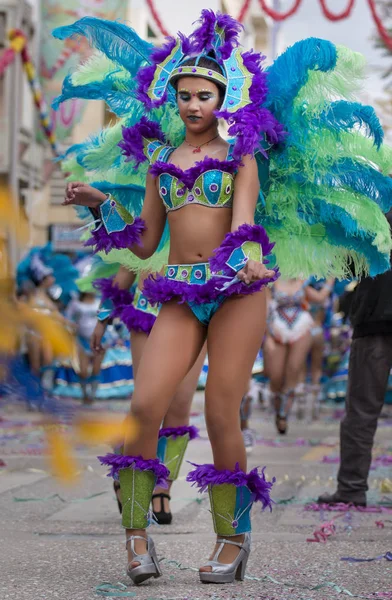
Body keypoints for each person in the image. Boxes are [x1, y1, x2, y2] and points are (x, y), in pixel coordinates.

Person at [55, 9, 392, 586]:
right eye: (184, 95)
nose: (192, 105)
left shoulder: (241, 157)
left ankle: (232, 542)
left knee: (219, 412)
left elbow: (243, 224)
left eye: (204, 95)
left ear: (223, 97)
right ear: (171, 97)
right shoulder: (161, 164)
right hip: (181, 293)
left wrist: (248, 259)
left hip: (237, 292)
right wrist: (98, 204)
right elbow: (144, 240)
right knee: (144, 405)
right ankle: (137, 538)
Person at [92, 266, 206, 524]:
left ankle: (162, 487)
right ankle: (125, 458)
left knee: (179, 404)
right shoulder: (151, 223)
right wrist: (102, 319)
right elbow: (127, 267)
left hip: (195, 309)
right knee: (148, 405)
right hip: (149, 313)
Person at [318, 211, 392, 507]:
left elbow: (347, 265)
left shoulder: (372, 215)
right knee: (361, 411)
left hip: (374, 318)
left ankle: (351, 488)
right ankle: (350, 488)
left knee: (361, 411)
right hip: (373, 319)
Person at [264, 279, 333, 434]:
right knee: (275, 376)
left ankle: (283, 414)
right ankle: (278, 410)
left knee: (294, 369)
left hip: (301, 327)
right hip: (277, 328)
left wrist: (331, 280)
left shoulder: (302, 281)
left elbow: (320, 298)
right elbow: (265, 309)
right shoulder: (271, 282)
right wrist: (267, 336)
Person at [64, 291, 105, 403]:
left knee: (96, 369)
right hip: (82, 340)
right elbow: (67, 317)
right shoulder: (75, 303)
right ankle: (84, 394)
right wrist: (71, 326)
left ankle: (92, 396)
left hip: (99, 340)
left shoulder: (100, 301)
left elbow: (108, 319)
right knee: (83, 371)